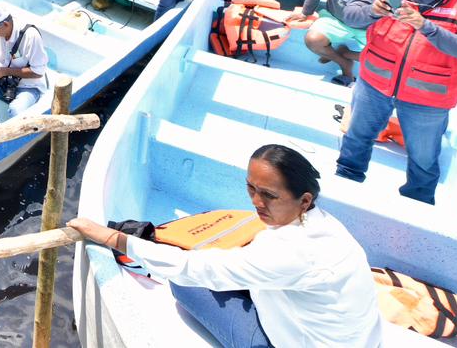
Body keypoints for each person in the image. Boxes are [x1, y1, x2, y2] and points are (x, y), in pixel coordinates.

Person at [69, 144, 382, 348]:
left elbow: (191, 268)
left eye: (269, 195)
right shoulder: (327, 224)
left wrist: (111, 238)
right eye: (250, 188)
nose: (256, 202)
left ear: (304, 199)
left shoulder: (288, 252)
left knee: (183, 285)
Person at [335, 0, 457, 205]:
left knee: (423, 160)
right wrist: (372, 12)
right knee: (356, 140)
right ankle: (344, 189)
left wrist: (427, 27)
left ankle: (416, 207)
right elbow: (349, 14)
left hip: (427, 100)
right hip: (373, 86)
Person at [0, 3, 50, 125]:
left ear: (6, 25)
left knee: (16, 110)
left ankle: (15, 140)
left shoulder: (31, 35)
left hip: (28, 86)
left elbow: (38, 72)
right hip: (3, 81)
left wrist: (4, 71)